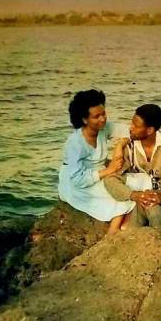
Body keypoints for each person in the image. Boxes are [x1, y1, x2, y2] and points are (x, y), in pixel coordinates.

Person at [104, 103, 161, 228]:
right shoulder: (130, 147)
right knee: (145, 207)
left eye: (136, 125)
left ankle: (158, 238)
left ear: (150, 130)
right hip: (146, 201)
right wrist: (135, 195)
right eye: (132, 123)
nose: (131, 128)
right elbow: (111, 178)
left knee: (153, 210)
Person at [58, 90, 135, 234]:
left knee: (140, 183)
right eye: (96, 116)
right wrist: (109, 170)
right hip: (79, 183)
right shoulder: (75, 143)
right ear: (85, 119)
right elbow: (77, 179)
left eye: (104, 113)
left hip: (102, 174)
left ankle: (122, 224)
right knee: (121, 195)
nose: (102, 119)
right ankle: (114, 229)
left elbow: (128, 131)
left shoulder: (103, 129)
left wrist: (119, 146)